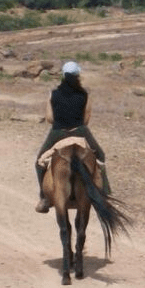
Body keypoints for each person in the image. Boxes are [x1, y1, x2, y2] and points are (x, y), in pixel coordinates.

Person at [34, 61, 110, 213]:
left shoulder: (53, 94)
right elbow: (86, 119)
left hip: (58, 132)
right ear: (78, 76)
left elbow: (49, 118)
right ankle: (104, 194)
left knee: (39, 162)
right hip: (80, 130)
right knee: (100, 156)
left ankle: (44, 197)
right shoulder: (85, 94)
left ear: (63, 75)